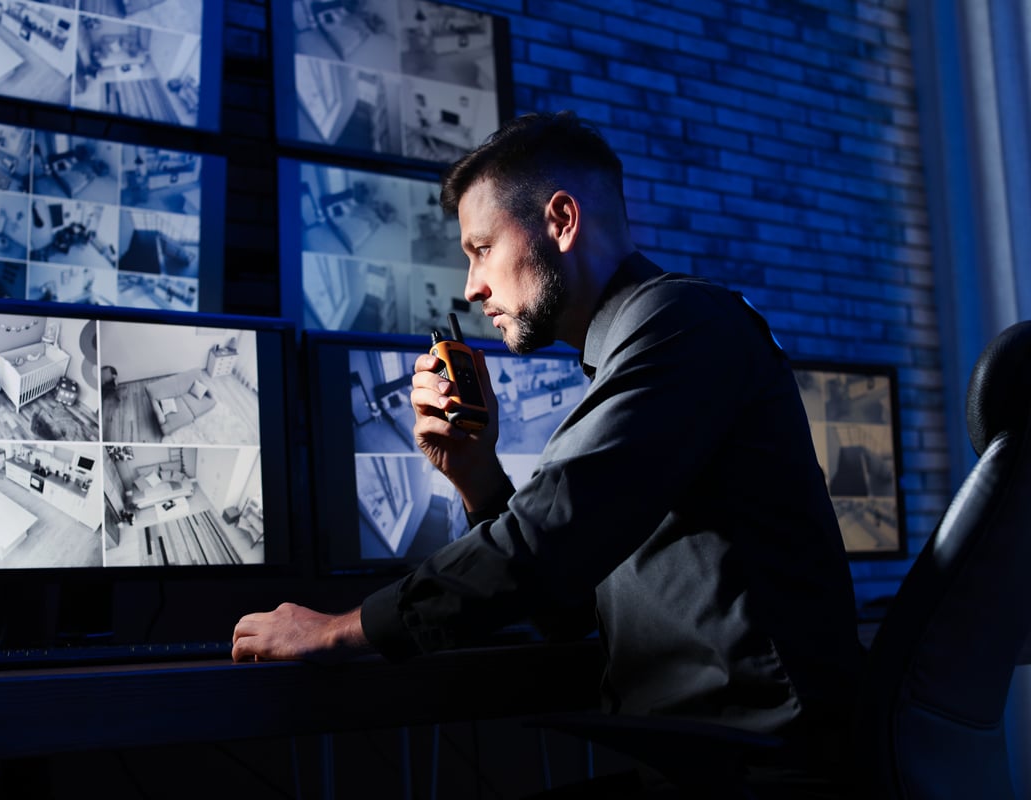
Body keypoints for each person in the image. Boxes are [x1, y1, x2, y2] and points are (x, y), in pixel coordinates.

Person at [233, 111, 865, 795]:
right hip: (715, 757)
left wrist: (337, 631)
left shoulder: (683, 325)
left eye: (480, 248)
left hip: (765, 767)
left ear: (561, 221)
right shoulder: (637, 362)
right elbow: (567, 603)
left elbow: (544, 544)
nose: (471, 286)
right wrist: (477, 477)